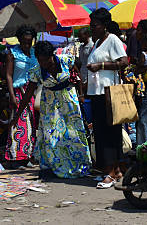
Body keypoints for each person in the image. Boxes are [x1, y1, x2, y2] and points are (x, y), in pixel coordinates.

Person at [11, 41, 91, 178]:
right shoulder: (36, 71)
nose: (42, 63)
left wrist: (81, 93)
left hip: (69, 101)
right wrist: (17, 115)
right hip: (49, 105)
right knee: (52, 136)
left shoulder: (66, 60)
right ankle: (56, 166)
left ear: (51, 56)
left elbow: (78, 72)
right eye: (39, 60)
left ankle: (78, 164)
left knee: (73, 133)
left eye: (45, 60)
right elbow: (28, 94)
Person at [85, 8, 128, 189]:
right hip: (96, 93)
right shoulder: (96, 42)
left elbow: (124, 61)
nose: (91, 28)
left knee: (109, 133)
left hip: (108, 93)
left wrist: (100, 65)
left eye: (94, 25)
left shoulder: (113, 40)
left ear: (104, 26)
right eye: (91, 25)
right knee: (101, 133)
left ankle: (110, 173)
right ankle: (115, 170)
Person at [5, 25, 38, 167]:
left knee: (31, 124)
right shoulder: (12, 53)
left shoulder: (34, 53)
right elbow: (8, 75)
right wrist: (12, 95)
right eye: (24, 41)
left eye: (29, 42)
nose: (26, 44)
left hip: (32, 92)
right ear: (19, 40)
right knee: (18, 124)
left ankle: (28, 155)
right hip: (18, 92)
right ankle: (15, 157)